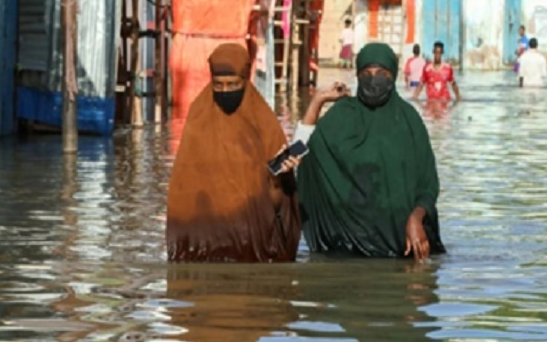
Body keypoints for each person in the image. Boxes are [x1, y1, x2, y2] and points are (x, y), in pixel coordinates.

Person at [294, 43, 445, 262]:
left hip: (401, 248)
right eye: (366, 74)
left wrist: (416, 217)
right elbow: (297, 156)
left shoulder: (408, 120)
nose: (374, 80)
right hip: (344, 250)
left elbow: (428, 184)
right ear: (357, 76)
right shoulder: (342, 116)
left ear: (392, 76)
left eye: (382, 73)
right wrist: (318, 101)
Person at [166, 43, 301, 263]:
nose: (226, 91)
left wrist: (280, 177)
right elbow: (184, 190)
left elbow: (278, 202)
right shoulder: (199, 119)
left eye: (233, 84)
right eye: (218, 85)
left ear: (246, 81)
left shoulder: (264, 124)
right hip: (205, 249)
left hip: (254, 249)